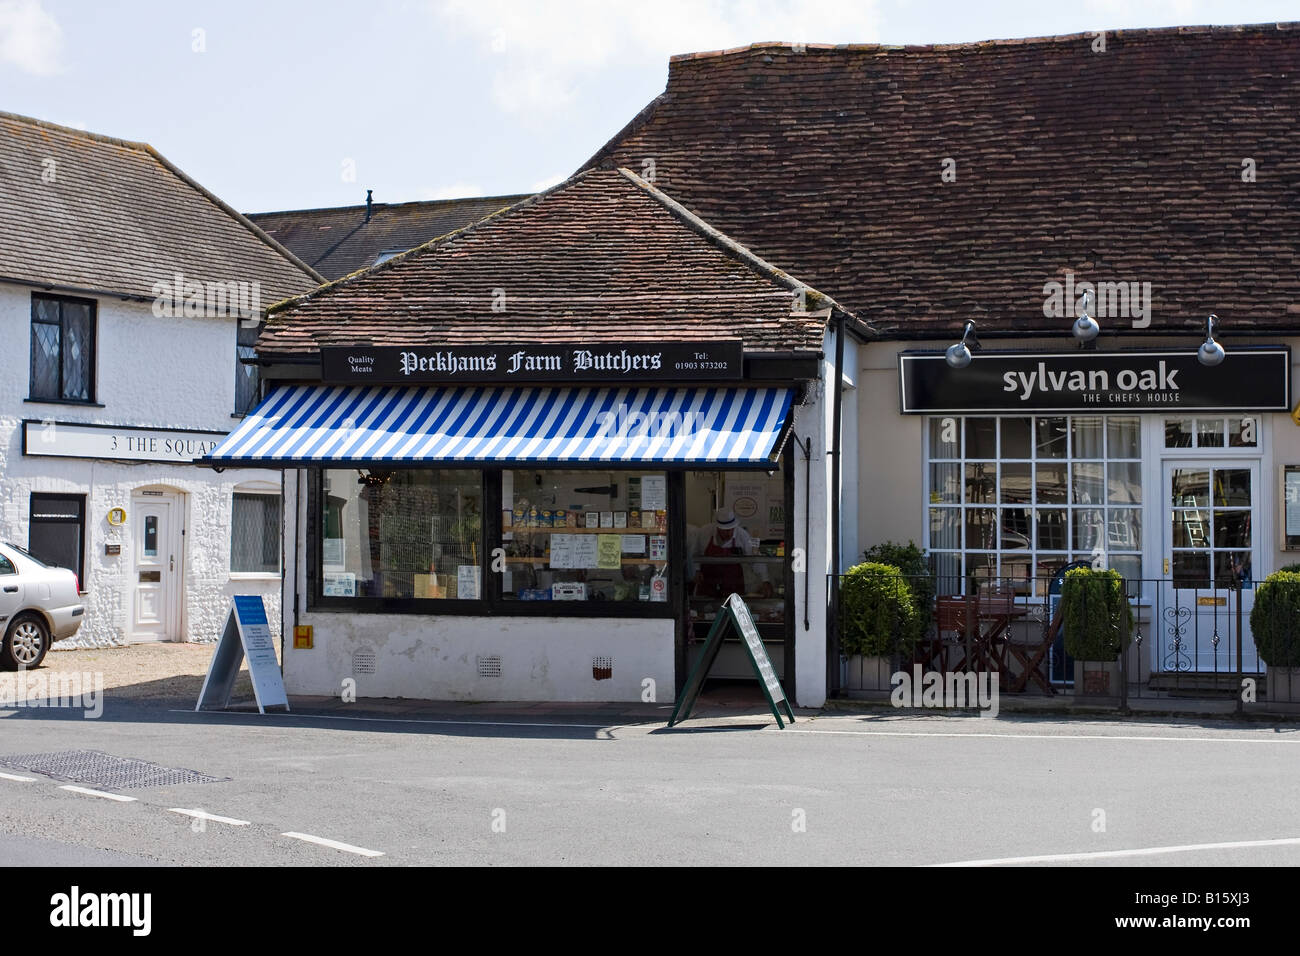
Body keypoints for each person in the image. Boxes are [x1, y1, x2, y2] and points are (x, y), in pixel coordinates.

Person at [689, 508, 772, 598]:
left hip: (733, 585)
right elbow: (694, 554)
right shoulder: (704, 532)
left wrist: (765, 580)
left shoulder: (742, 535)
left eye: (731, 529)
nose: (728, 534)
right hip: (708, 582)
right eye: (724, 530)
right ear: (717, 527)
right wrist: (696, 571)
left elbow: (755, 557)